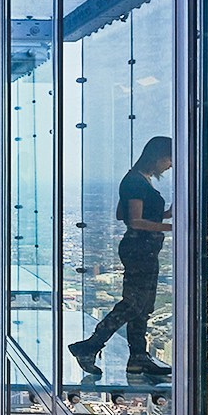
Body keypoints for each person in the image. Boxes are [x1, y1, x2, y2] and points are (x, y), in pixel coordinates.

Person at [69, 135, 175, 380]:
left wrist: (166, 214)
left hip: (144, 249)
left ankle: (138, 359)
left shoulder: (137, 180)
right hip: (139, 249)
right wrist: (171, 227)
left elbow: (121, 213)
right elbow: (133, 220)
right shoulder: (135, 181)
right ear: (157, 156)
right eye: (169, 159)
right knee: (133, 304)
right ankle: (90, 346)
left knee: (143, 307)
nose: (170, 165)